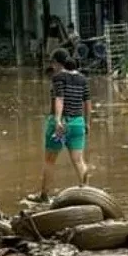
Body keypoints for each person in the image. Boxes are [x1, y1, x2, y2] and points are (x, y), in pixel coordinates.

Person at [38, 48, 91, 200]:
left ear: (56, 63)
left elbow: (59, 99)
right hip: (78, 123)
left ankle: (44, 195)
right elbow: (87, 103)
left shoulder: (58, 78)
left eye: (53, 64)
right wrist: (87, 123)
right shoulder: (82, 79)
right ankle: (87, 193)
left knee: (50, 160)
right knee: (79, 161)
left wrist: (57, 120)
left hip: (61, 125)